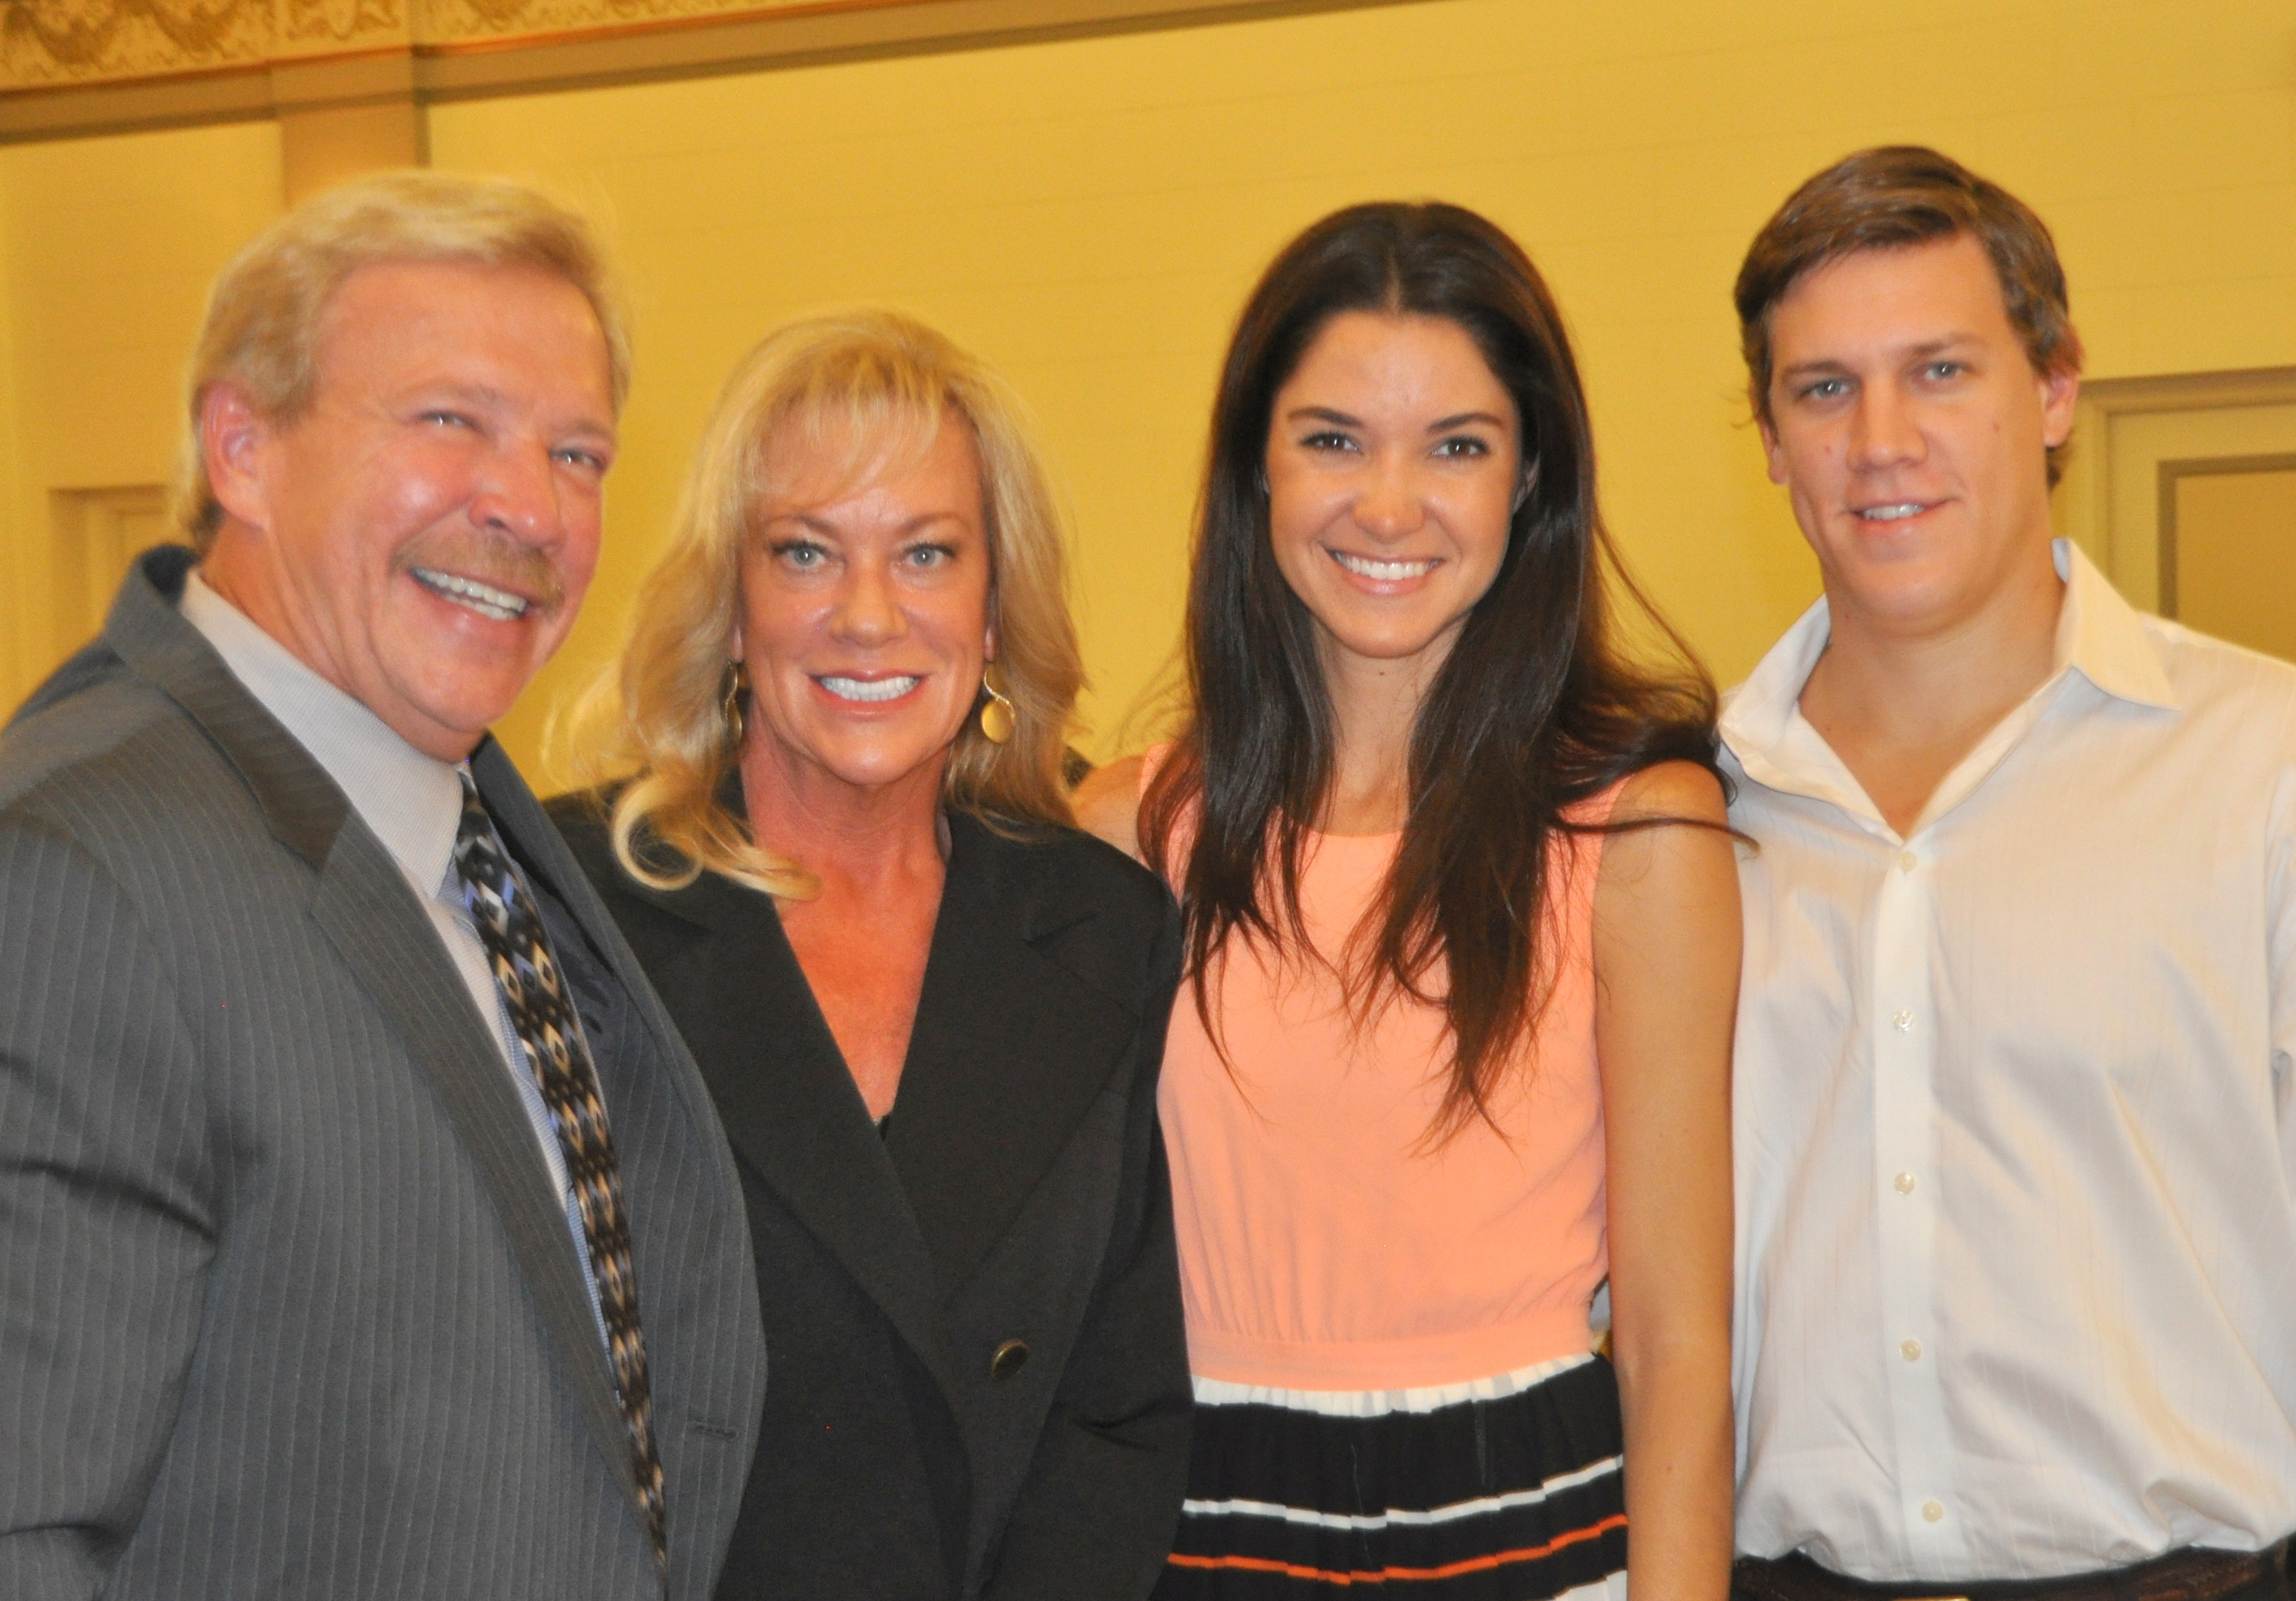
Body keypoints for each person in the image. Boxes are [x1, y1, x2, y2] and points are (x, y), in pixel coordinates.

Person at [0, 172, 764, 1599]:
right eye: (450, 421)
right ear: (243, 449)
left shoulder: (479, 842)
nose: (530, 506)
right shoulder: (58, 876)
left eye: (577, 453)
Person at [1078, 202, 1739, 1600]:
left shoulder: (1638, 833)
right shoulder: (1133, 831)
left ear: (1530, 476)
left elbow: (1676, 1341)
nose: (1389, 505)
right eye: (1332, 440)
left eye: (1456, 445)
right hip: (1195, 1527)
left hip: (1532, 1531)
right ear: (1254, 467)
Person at [1724, 146, 2296, 1601]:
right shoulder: (1688, 813)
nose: (1882, 440)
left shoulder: (2261, 763)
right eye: (1824, 388)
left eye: (1940, 370)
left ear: (2052, 389)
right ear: (1772, 439)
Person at [552, 309, 1192, 1600]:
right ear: (733, 608)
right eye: (805, 552)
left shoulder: (1102, 927)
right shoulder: (575, 907)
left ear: (993, 609)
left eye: (926, 553)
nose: (866, 615)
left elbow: (1119, 1411)